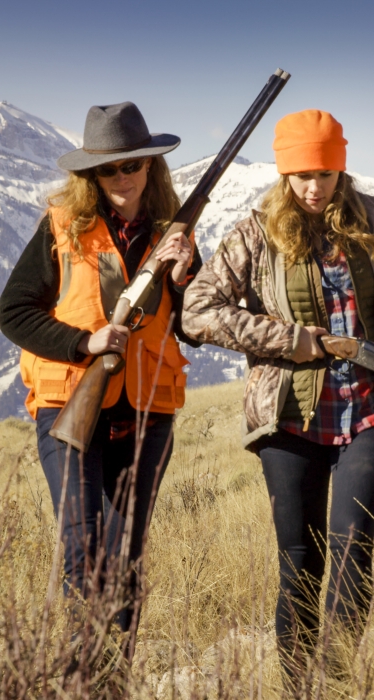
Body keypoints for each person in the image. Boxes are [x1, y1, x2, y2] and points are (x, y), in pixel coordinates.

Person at [0, 101, 202, 657]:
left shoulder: (174, 234)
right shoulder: (63, 226)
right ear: (90, 174)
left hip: (147, 409)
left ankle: (114, 677)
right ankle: (80, 676)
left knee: (125, 553)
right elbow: (14, 312)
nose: (122, 177)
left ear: (150, 168)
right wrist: (83, 343)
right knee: (83, 547)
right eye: (109, 168)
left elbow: (197, 328)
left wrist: (185, 278)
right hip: (69, 405)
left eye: (132, 165)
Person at [182, 110, 374, 678]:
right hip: (289, 416)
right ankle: (297, 686)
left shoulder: (370, 221)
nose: (314, 188)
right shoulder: (255, 232)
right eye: (302, 175)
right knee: (300, 560)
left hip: (366, 407)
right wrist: (289, 340)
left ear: (341, 168)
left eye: (325, 173)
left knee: (354, 547)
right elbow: (197, 312)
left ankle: (336, 679)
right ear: (284, 173)